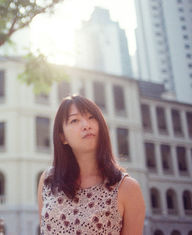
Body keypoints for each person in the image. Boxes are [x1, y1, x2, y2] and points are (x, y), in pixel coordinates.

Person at [38, 95, 145, 235]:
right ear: (62, 137)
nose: (86, 125)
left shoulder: (127, 188)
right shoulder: (48, 180)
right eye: (74, 120)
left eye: (91, 117)